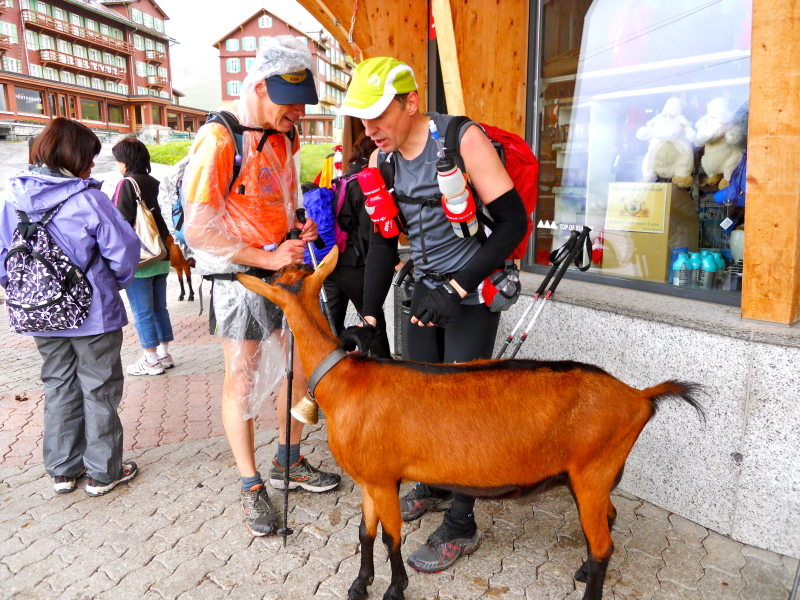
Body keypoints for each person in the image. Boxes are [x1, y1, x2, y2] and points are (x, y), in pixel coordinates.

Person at [339, 58, 528, 572]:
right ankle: (436, 484)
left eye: (379, 115)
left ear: (411, 102)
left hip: (470, 291)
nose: (370, 129)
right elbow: (382, 243)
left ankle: (463, 524)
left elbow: (513, 224)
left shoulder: (461, 140)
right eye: (363, 119)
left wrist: (456, 286)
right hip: (423, 295)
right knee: (418, 401)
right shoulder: (383, 162)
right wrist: (370, 317)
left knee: (463, 410)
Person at [182, 35, 341, 538]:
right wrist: (265, 256)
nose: (297, 114)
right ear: (258, 86)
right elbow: (199, 228)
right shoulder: (220, 138)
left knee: (299, 371)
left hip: (285, 274)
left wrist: (300, 226)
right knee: (243, 379)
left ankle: (288, 459)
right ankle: (251, 485)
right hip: (240, 278)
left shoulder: (285, 137)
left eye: (301, 106)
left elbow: (286, 196)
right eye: (289, 104)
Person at [0, 118, 141, 496]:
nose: (92, 167)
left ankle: (63, 470)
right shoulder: (88, 198)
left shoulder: (13, 198)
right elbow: (125, 252)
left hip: (41, 314)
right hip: (92, 314)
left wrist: (33, 293)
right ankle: (102, 472)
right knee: (98, 389)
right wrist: (112, 286)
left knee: (58, 385)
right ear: (73, 156)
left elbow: (5, 259)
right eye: (90, 159)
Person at [112, 138, 176, 375]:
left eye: (118, 160)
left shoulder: (127, 184)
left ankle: (150, 360)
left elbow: (119, 223)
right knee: (160, 308)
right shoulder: (155, 182)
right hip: (162, 255)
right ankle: (164, 354)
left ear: (125, 162)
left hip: (141, 259)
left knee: (142, 311)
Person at [323, 134, 391, 356]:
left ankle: (333, 370)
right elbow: (369, 230)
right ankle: (385, 370)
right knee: (372, 321)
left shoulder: (344, 177)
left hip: (332, 260)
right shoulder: (365, 181)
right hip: (353, 262)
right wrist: (393, 260)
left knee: (331, 325)